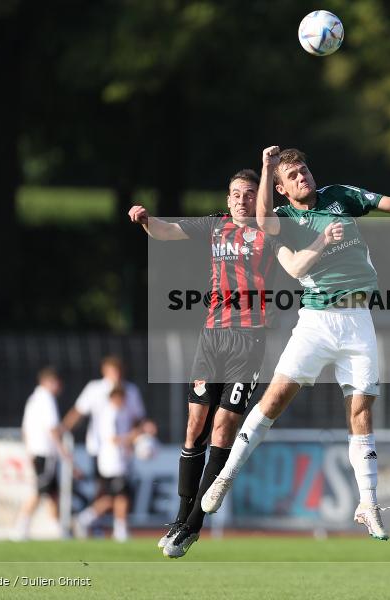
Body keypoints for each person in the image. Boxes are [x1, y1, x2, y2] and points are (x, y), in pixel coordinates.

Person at [201, 146, 390, 541]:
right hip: (317, 321)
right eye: (292, 176)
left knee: (361, 411)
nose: (302, 177)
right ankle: (226, 476)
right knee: (275, 398)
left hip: (358, 319)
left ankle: (367, 503)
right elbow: (264, 222)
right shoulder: (282, 219)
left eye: (304, 170)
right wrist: (265, 165)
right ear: (279, 188)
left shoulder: (339, 196)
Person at [128, 168, 346, 558]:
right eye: (236, 194)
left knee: (224, 425)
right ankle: (180, 518)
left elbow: (298, 256)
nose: (242, 200)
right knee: (195, 424)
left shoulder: (270, 229)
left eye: (249, 194)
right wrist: (145, 221)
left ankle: (194, 524)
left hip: (249, 341)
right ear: (227, 200)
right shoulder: (214, 226)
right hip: (212, 337)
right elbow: (168, 231)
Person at [61, 355, 150, 535]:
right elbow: (79, 412)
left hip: (121, 453)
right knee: (110, 492)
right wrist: (63, 432)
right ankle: (96, 522)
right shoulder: (98, 393)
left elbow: (138, 419)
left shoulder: (130, 392)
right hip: (103, 451)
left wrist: (140, 435)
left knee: (116, 492)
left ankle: (97, 523)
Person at [72, 385, 146, 542]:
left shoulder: (120, 413)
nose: (123, 402)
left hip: (119, 461)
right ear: (113, 398)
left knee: (114, 497)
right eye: (120, 398)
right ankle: (119, 530)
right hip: (112, 462)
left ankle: (86, 518)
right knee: (121, 495)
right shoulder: (109, 415)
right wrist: (135, 435)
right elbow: (114, 439)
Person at [12, 366, 73, 541]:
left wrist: (28, 449)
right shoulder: (46, 399)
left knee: (52, 493)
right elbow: (52, 427)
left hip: (37, 450)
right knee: (40, 491)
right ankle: (20, 527)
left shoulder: (33, 399)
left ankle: (58, 529)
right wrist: (62, 450)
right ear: (49, 382)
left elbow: (25, 429)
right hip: (45, 451)